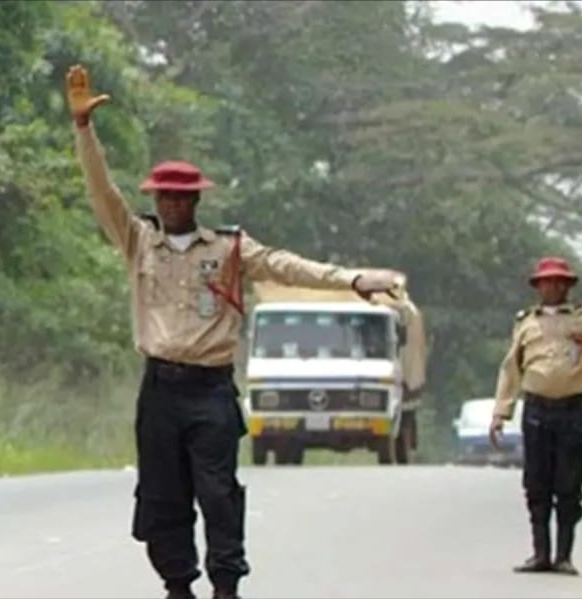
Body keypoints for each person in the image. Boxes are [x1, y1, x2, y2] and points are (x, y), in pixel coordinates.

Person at [65, 64, 401, 599]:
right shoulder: (137, 242)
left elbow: (288, 266)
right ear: (154, 201)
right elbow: (100, 192)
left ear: (197, 201)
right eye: (164, 198)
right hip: (160, 389)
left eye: (182, 197)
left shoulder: (229, 249)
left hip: (211, 391)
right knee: (163, 495)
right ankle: (177, 584)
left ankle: (226, 585)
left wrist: (353, 279)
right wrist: (84, 130)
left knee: (219, 492)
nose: (172, 205)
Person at [489, 257, 582, 575]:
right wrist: (501, 413)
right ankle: (540, 553)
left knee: (568, 483)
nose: (552, 287)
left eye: (559, 282)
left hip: (570, 409)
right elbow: (511, 369)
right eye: (546, 282)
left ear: (568, 286)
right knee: (536, 483)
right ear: (538, 287)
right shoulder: (526, 322)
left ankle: (564, 555)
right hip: (536, 409)